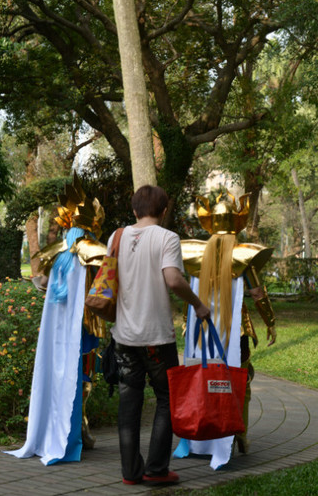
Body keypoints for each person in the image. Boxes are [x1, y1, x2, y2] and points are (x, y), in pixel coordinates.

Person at [110, 185, 210, 486]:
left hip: (123, 336)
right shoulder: (167, 237)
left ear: (134, 209)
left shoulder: (116, 236)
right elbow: (173, 279)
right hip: (155, 337)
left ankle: (130, 472)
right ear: (164, 210)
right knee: (168, 398)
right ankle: (156, 469)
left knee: (130, 400)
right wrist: (198, 304)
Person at [6, 173, 108, 464]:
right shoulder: (92, 248)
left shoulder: (56, 249)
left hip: (61, 327)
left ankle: (72, 426)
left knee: (76, 373)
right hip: (85, 324)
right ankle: (77, 428)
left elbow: (41, 282)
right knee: (85, 373)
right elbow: (109, 278)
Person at [173, 192, 277, 470]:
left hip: (199, 328)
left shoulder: (197, 254)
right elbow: (257, 294)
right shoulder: (242, 255)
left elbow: (189, 293)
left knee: (201, 375)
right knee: (239, 380)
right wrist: (270, 322)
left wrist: (187, 323)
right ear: (237, 222)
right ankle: (237, 432)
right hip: (234, 331)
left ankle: (203, 433)